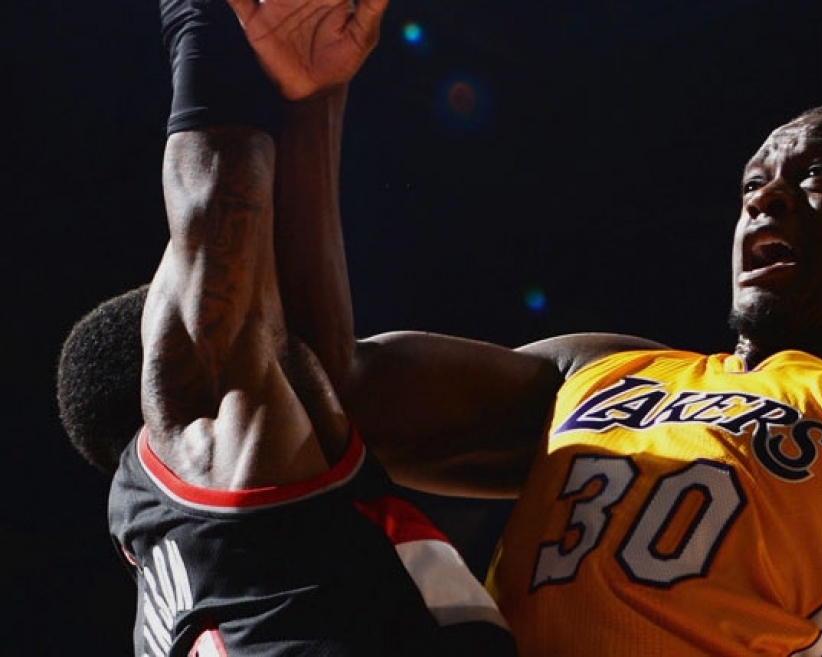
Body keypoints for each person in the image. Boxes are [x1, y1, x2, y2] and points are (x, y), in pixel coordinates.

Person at [65, 2, 822, 654]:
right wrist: (316, 95)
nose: (763, 200)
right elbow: (327, 397)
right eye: (750, 182)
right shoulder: (591, 372)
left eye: (812, 175)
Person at [56, 0, 513, 653]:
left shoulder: (216, 557)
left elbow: (302, 346)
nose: (276, 317)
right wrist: (202, 20)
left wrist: (315, 94)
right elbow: (216, 266)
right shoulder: (205, 444)